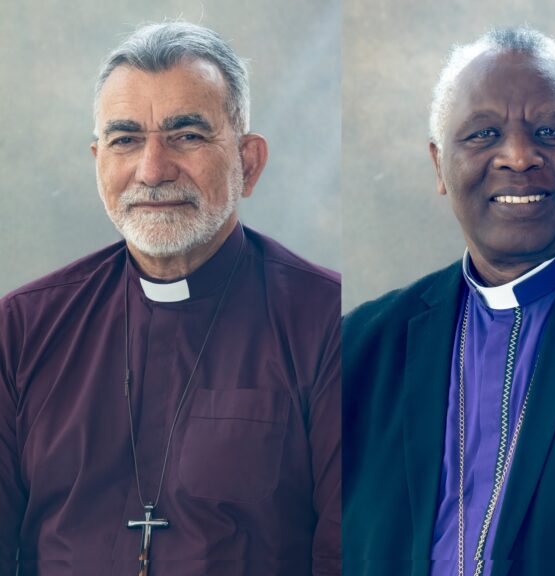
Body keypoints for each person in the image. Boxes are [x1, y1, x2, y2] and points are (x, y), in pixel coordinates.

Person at [0, 22, 340, 575]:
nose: (152, 170)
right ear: (98, 162)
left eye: (186, 135)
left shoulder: (329, 323)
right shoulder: (22, 328)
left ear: (248, 162)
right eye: (125, 139)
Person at [342, 26, 555, 575]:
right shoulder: (360, 345)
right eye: (482, 135)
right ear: (438, 166)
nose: (520, 157)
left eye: (552, 132)